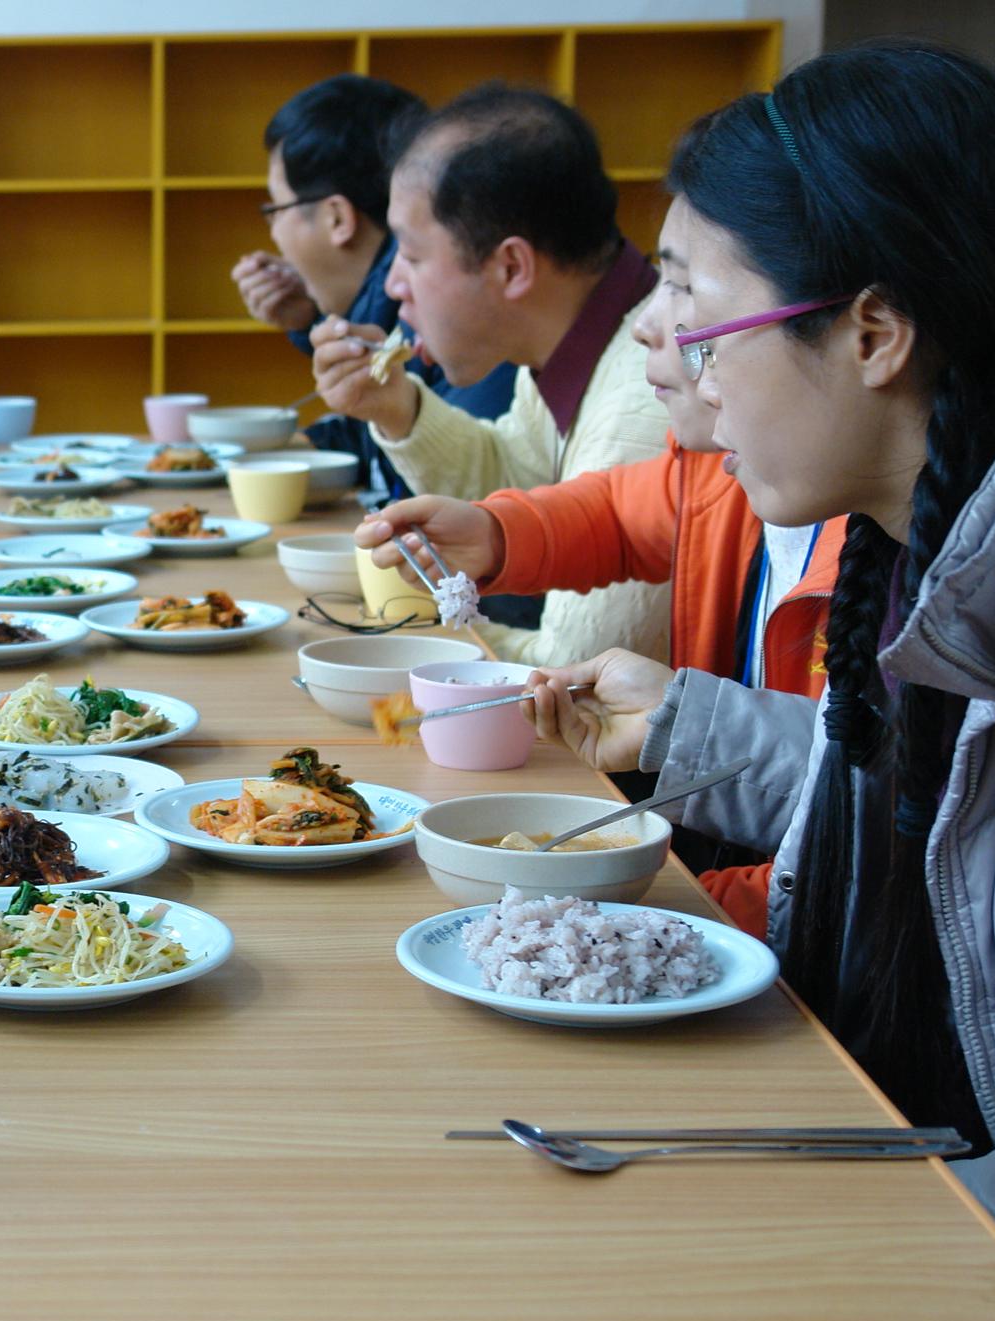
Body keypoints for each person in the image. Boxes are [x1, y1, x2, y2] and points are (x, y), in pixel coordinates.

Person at [520, 43, 995, 1317]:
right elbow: (954, 822)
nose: (684, 372)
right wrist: (688, 729)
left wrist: (852, 1237)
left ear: (874, 334)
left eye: (700, 319)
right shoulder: (926, 533)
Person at [355, 191, 843, 938]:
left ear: (869, 336)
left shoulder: (887, 544)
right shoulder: (722, 463)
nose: (647, 323)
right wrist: (495, 535)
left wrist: (634, 926)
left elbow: (852, 864)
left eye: (684, 288)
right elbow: (621, 511)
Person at [313, 85, 672, 668]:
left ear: (511, 266)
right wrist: (398, 408)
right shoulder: (581, 334)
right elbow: (520, 481)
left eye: (412, 255)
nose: (393, 286)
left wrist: (406, 633)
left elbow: (574, 673)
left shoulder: (650, 397)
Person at [230, 74, 516, 505]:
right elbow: (382, 448)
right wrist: (311, 322)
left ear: (337, 218)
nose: (398, 284)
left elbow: (470, 497)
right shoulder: (384, 310)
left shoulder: (451, 312)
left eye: (275, 210)